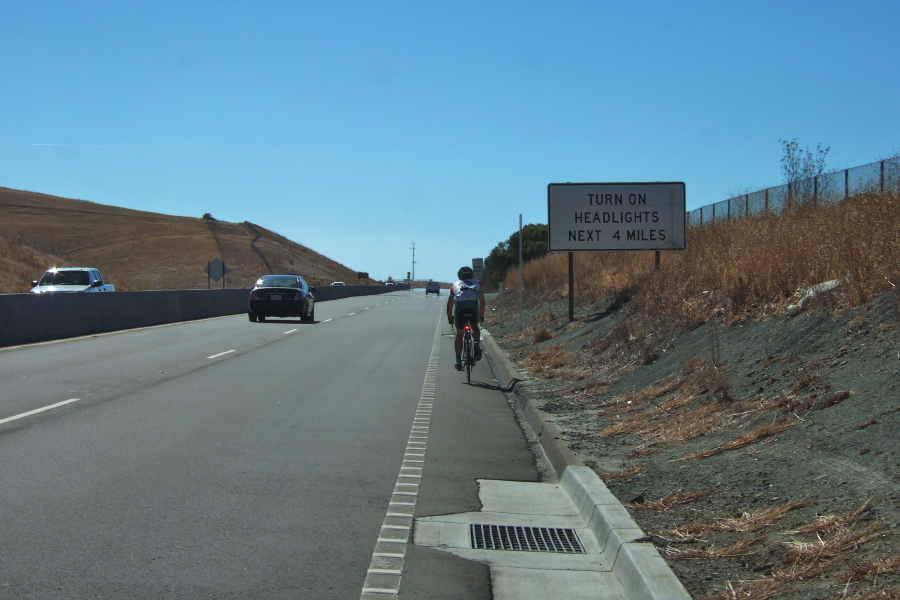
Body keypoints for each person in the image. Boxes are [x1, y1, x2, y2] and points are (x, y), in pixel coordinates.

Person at [446, 266, 486, 371]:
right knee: (475, 327)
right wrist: (481, 316)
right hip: (472, 306)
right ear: (472, 275)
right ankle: (476, 342)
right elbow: (482, 302)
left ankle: (458, 361)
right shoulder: (478, 283)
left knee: (459, 335)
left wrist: (450, 318)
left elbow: (449, 305)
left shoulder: (454, 286)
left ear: (459, 276)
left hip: (460, 308)